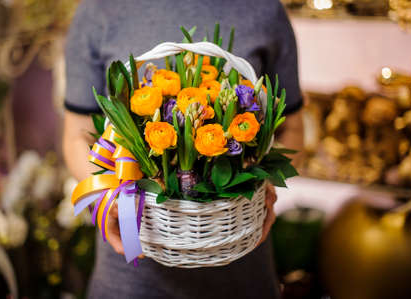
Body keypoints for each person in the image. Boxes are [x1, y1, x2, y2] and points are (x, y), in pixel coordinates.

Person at [62, 0, 303, 298]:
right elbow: (75, 136)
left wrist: (263, 184)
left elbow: (292, 128)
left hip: (241, 267)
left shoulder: (264, 9)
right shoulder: (99, 9)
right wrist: (110, 199)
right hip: (130, 275)